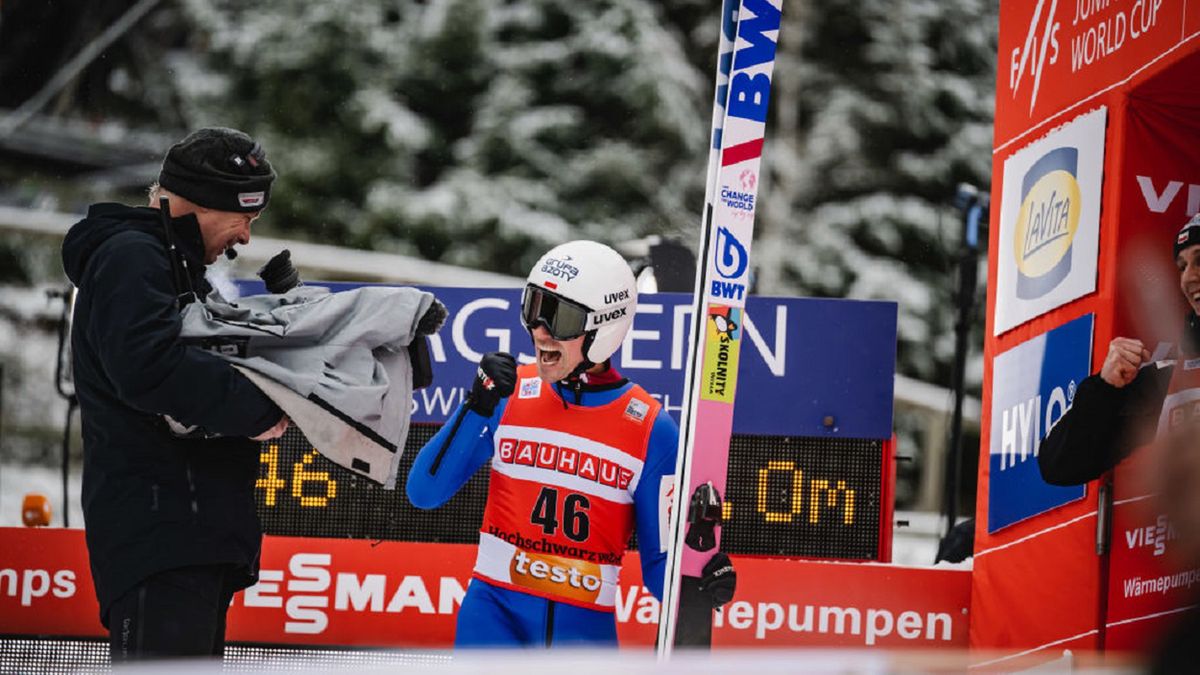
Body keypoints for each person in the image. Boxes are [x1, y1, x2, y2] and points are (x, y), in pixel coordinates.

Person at [407, 240, 731, 647]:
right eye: (533, 309)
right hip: (492, 621)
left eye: (558, 317)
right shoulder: (506, 392)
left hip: (582, 640)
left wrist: (701, 582)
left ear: (604, 328)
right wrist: (476, 404)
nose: (539, 331)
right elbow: (424, 492)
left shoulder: (651, 428)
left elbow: (659, 569)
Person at [61, 127, 290, 662]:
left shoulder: (173, 267)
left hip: (187, 534)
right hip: (159, 533)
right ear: (201, 205)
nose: (246, 237)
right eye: (245, 219)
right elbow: (146, 367)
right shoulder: (132, 257)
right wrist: (257, 408)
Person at [1039, 213, 1200, 486]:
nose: (1188, 278)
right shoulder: (1172, 379)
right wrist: (1105, 389)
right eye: (1182, 266)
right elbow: (1060, 464)